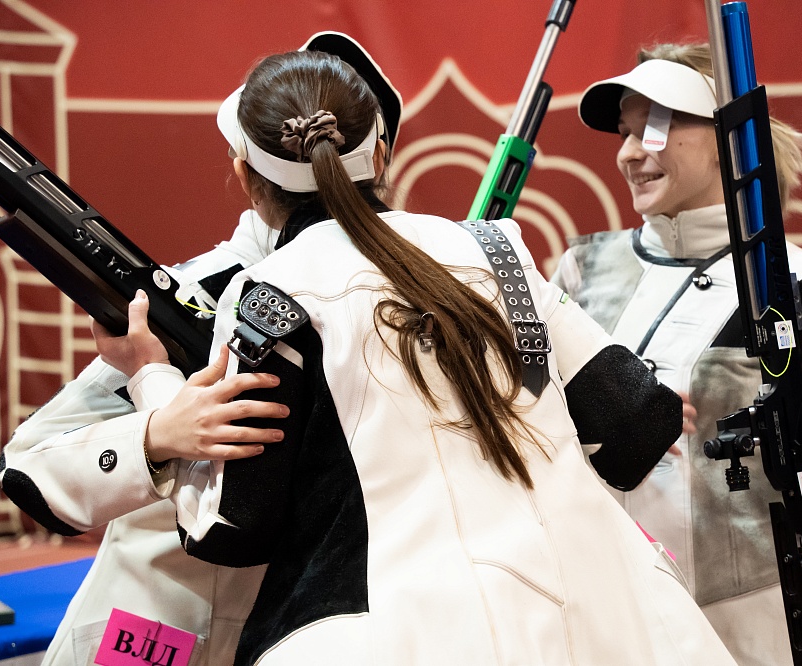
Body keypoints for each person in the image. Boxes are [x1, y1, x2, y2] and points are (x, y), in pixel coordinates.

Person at [103, 47, 738, 665]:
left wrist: (151, 377)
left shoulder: (265, 297)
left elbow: (230, 529)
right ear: (381, 154)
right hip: (598, 625)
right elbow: (637, 425)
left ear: (246, 177)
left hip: (382, 635)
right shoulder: (497, 248)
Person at [0, 32, 402, 666]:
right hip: (161, 638)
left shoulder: (417, 298)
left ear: (244, 171)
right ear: (378, 159)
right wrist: (158, 432)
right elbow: (29, 467)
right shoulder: (194, 300)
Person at [551, 43, 802, 665]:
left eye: (654, 128)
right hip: (605, 614)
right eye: (626, 133)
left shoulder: (800, 282)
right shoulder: (583, 271)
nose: (629, 153)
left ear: (725, 139)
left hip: (747, 631)